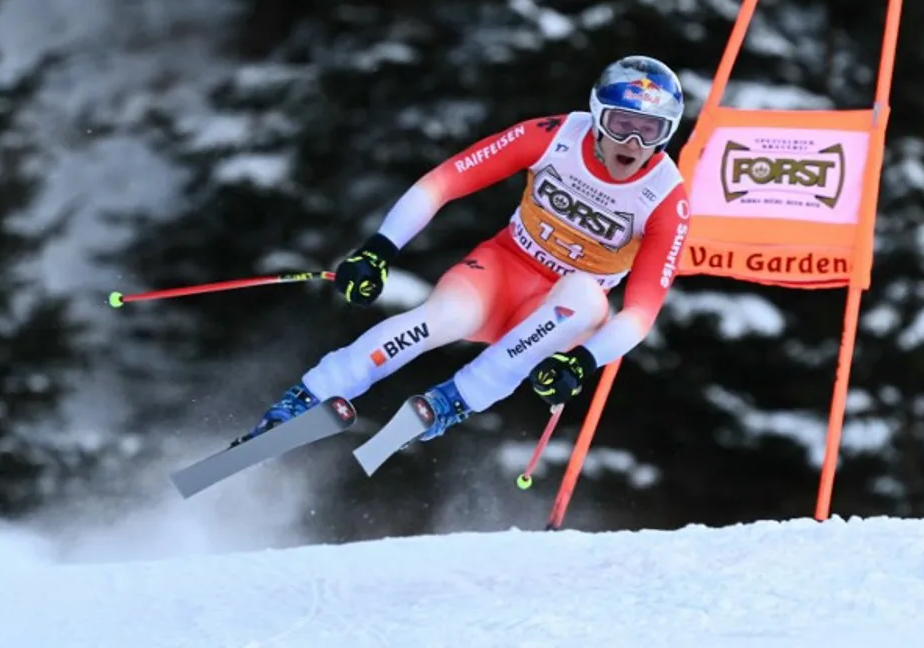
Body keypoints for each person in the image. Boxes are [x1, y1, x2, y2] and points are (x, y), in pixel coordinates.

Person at [232, 55, 692, 447]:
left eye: (649, 131)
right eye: (621, 124)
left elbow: (641, 312)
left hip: (555, 315)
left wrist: (582, 360)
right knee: (435, 321)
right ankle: (302, 402)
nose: (632, 143)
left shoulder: (666, 198)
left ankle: (451, 401)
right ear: (596, 116)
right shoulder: (554, 136)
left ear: (666, 134)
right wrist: (378, 249)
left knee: (588, 297)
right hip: (499, 271)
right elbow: (444, 181)